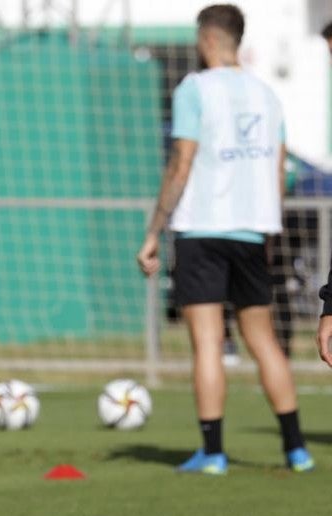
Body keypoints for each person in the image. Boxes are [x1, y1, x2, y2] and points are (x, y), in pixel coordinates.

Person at [136, 3, 312, 475]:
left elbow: (181, 163)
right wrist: (267, 230)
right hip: (253, 231)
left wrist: (154, 232)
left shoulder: (194, 89)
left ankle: (213, 453)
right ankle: (296, 448)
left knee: (209, 343)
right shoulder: (266, 95)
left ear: (209, 40)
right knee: (265, 341)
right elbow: (277, 171)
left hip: (202, 229)